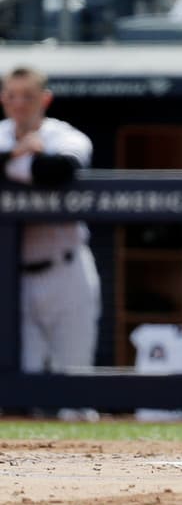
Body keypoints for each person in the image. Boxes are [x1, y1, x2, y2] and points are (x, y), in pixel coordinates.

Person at [1, 65, 99, 375]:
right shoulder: (2, 134)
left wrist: (11, 165)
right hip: (12, 276)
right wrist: (17, 154)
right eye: (12, 95)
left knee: (75, 374)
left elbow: (59, 170)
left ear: (45, 99)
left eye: (28, 96)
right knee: (19, 376)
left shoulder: (64, 135)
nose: (19, 103)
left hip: (66, 271)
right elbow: (38, 169)